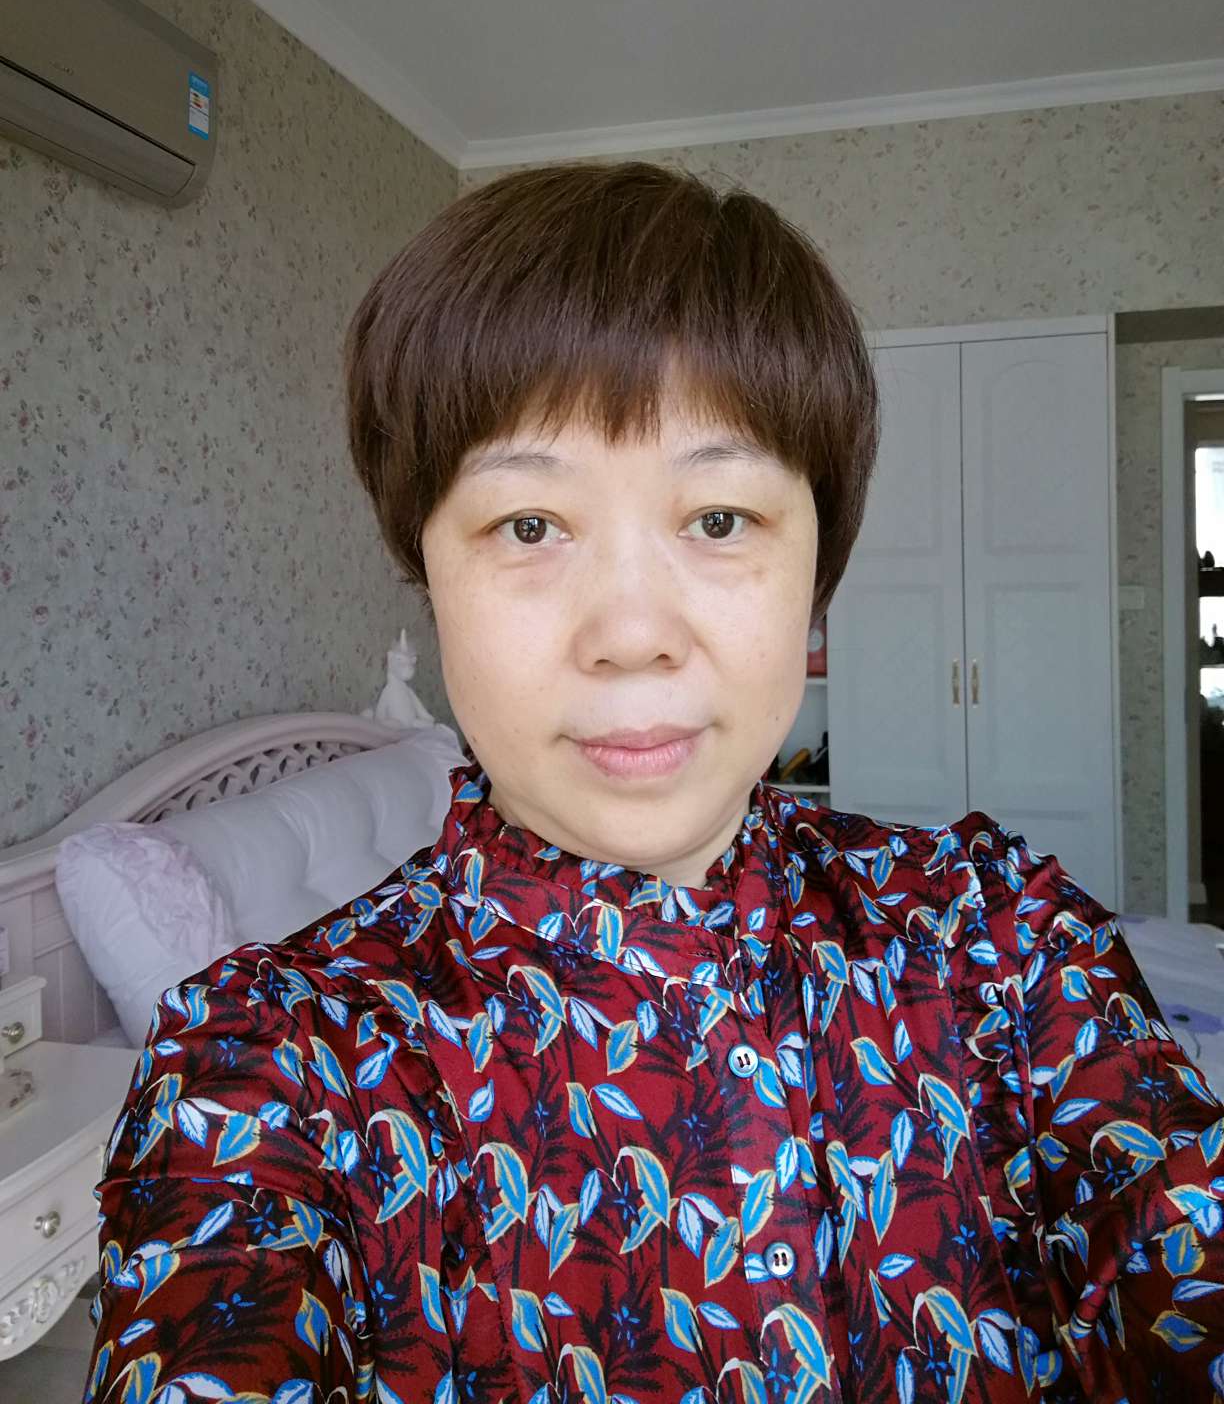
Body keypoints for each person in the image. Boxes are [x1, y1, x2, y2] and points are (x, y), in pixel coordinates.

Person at [80, 162, 1224, 1404]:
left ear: (818, 570)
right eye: (529, 526)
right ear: (427, 569)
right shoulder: (268, 1077)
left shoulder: (999, 944)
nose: (632, 633)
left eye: (720, 520)